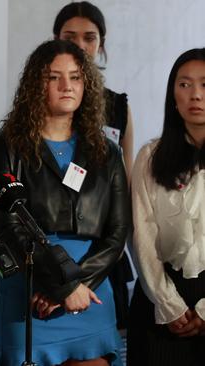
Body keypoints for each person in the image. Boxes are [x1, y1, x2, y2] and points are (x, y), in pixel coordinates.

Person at [0, 39, 129, 366]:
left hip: (90, 294)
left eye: (76, 77)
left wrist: (73, 286)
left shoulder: (108, 152)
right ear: (36, 84)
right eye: (53, 77)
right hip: (28, 291)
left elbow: (117, 234)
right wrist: (59, 287)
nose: (67, 86)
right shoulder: (6, 145)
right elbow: (6, 225)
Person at [53, 0, 135, 331]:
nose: (80, 45)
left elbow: (126, 184)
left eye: (90, 37)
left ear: (101, 45)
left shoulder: (117, 106)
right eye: (69, 36)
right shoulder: (41, 100)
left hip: (104, 245)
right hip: (52, 242)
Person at [127, 47, 205, 366]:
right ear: (173, 96)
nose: (196, 95)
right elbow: (141, 236)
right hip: (158, 298)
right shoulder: (151, 156)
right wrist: (169, 305)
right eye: (184, 84)